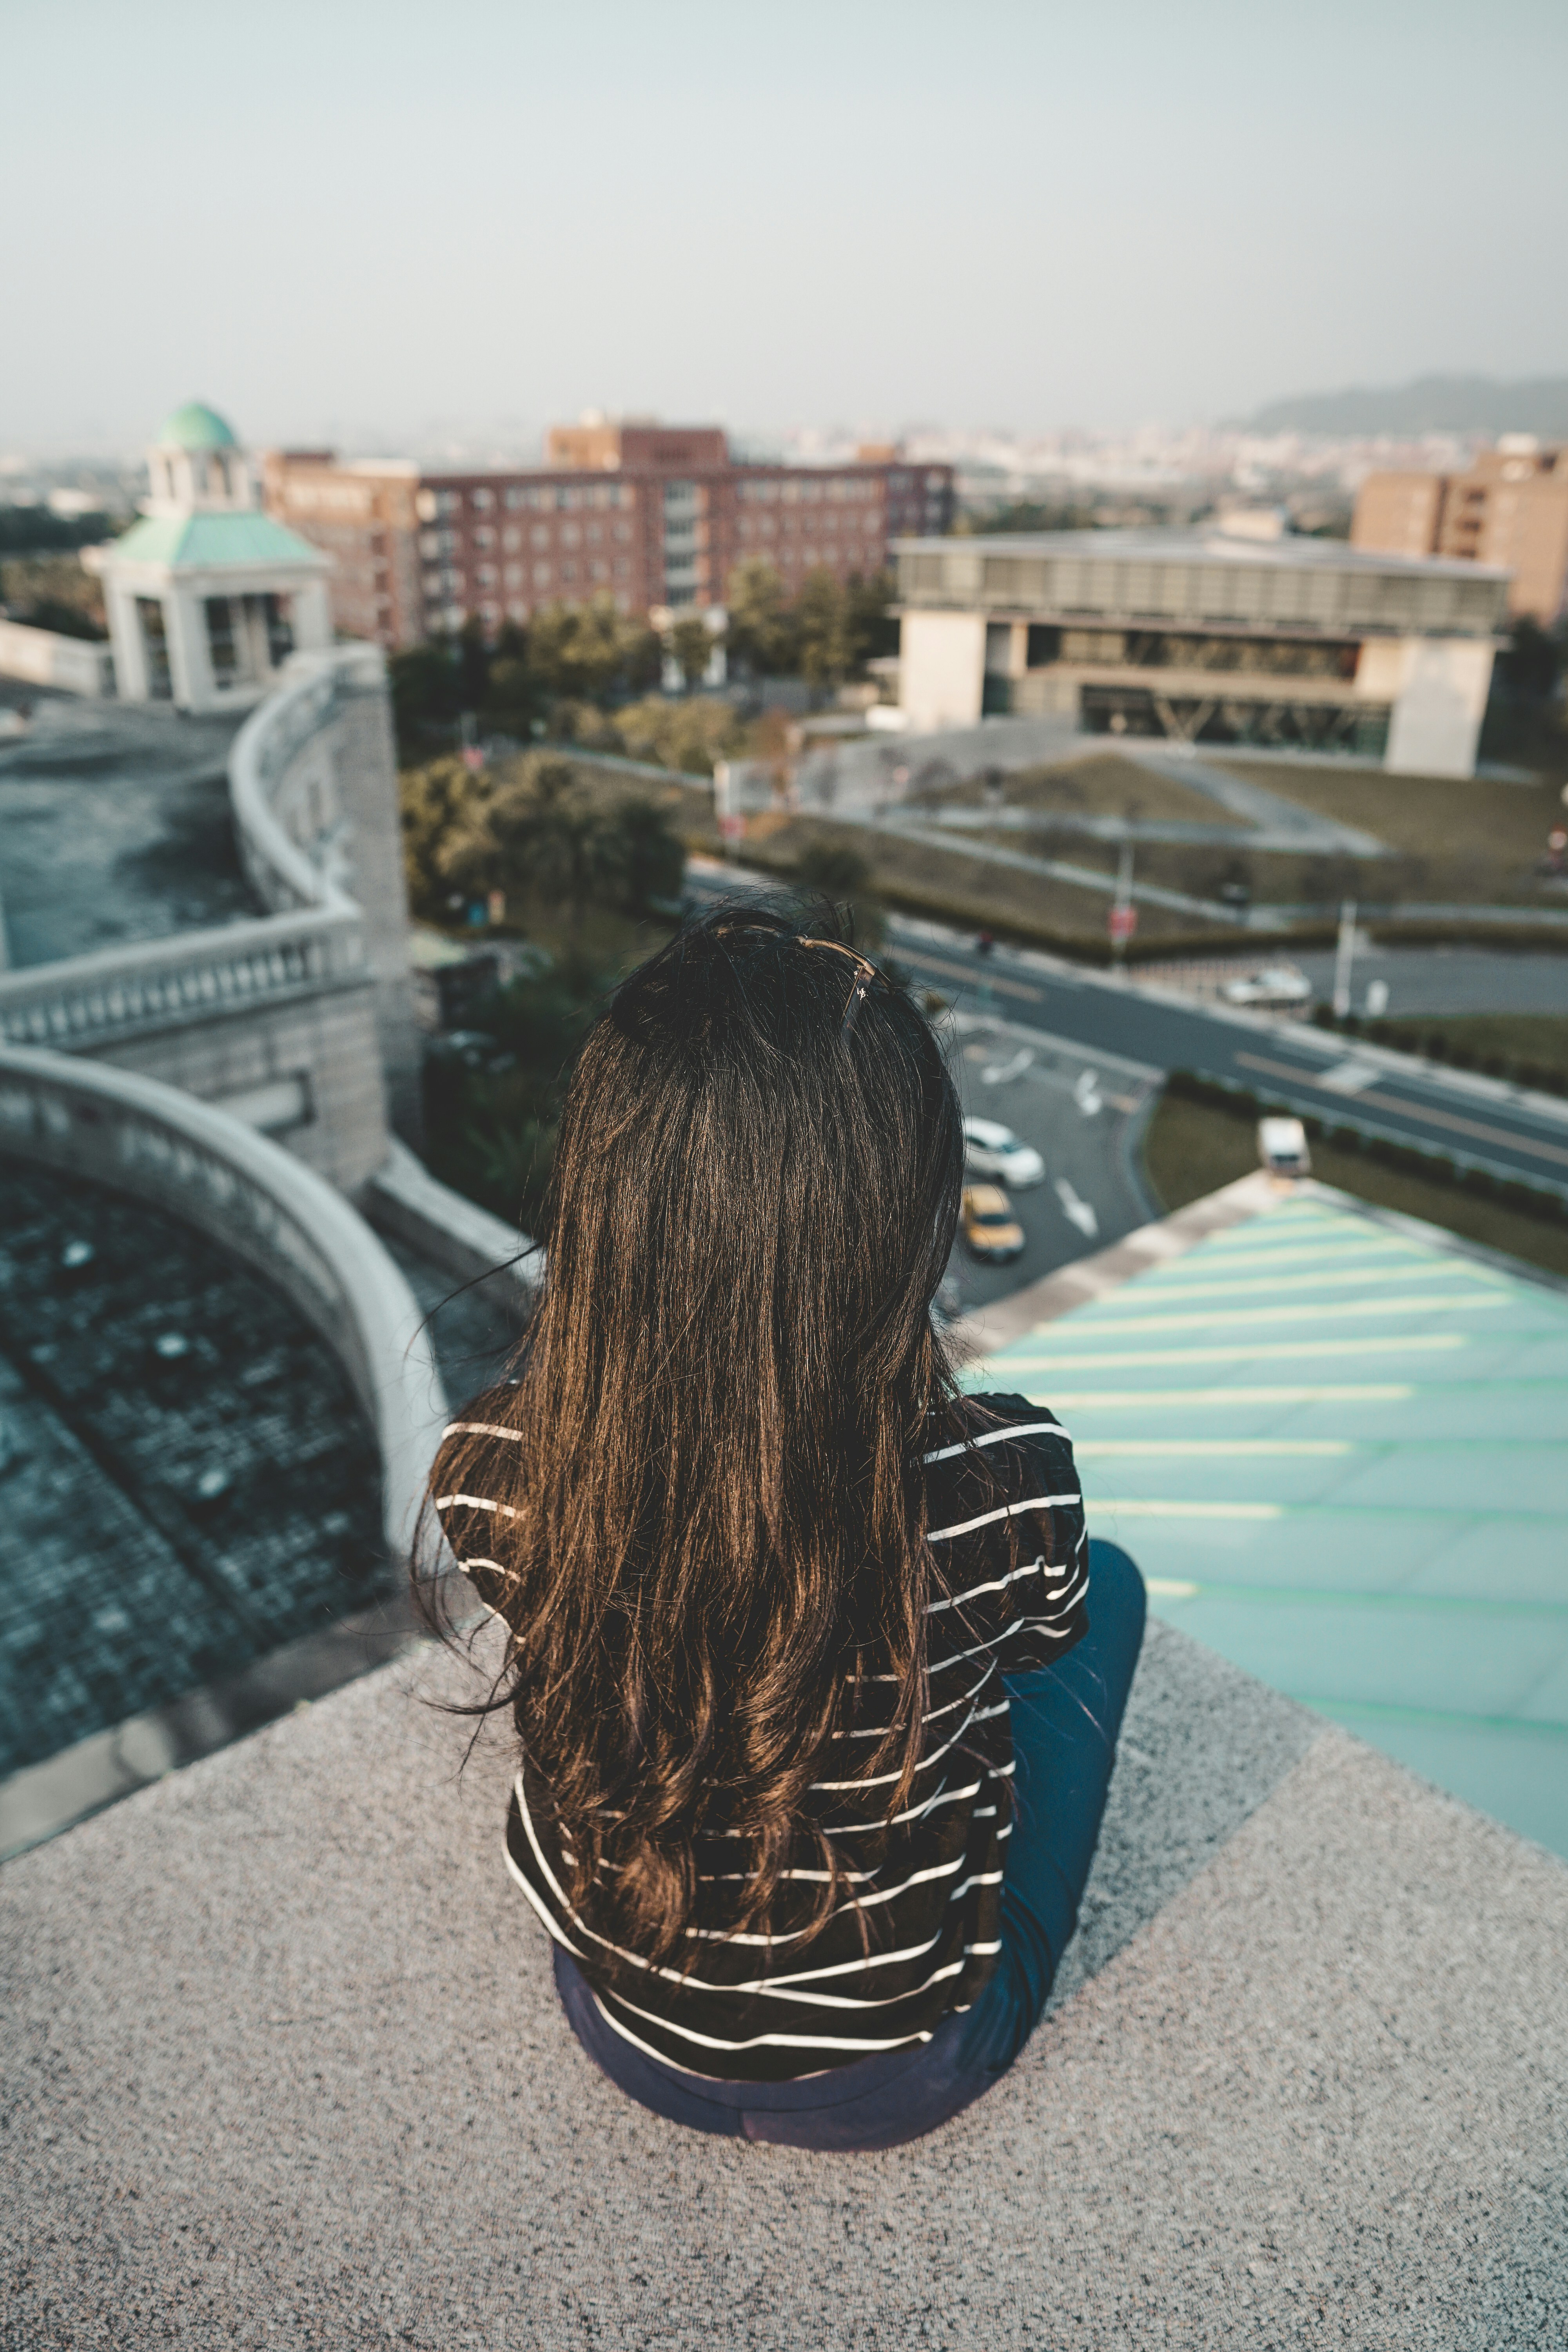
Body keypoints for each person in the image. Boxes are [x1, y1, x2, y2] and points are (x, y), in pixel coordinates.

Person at [428, 906, 1145, 2151]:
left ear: (605, 1208)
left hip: (619, 2020)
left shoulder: (493, 1470)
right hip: (902, 2067)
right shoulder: (1007, 1483)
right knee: (1112, 1593)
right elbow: (1044, 1645)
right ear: (911, 1216)